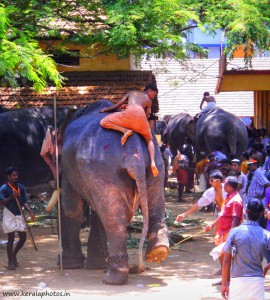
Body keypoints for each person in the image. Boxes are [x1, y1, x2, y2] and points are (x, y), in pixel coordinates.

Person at [100, 83, 159, 177]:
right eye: (153, 94)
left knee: (104, 122)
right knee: (149, 140)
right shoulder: (149, 101)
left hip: (128, 114)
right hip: (141, 117)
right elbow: (147, 115)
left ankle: (124, 130)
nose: (153, 97)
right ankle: (152, 162)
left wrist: (106, 109)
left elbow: (117, 106)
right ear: (149, 91)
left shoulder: (131, 93)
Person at [221, 198, 270, 300]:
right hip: (257, 280)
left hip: (237, 280)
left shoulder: (234, 232)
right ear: (261, 214)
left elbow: (226, 260)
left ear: (246, 211)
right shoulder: (266, 234)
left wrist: (224, 284)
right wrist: (265, 269)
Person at [205, 177, 243, 279]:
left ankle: (227, 279)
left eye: (225, 184)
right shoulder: (229, 197)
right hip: (222, 231)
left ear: (229, 187)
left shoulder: (235, 200)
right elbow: (222, 215)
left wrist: (232, 235)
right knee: (221, 254)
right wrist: (212, 224)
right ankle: (224, 275)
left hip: (228, 232)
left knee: (227, 255)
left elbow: (236, 219)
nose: (223, 186)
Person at [0, 167, 35, 270]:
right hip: (9, 213)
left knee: (23, 238)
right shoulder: (4, 188)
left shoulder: (21, 187)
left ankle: (14, 254)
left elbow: (24, 202)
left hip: (19, 213)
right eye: (14, 175)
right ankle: (10, 262)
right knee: (10, 239)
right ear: (9, 176)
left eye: (17, 175)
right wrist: (11, 197)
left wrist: (30, 211)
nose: (16, 177)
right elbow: (1, 202)